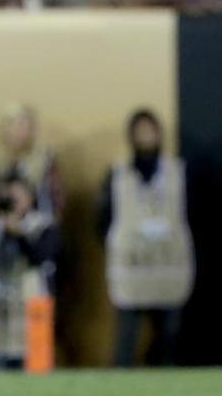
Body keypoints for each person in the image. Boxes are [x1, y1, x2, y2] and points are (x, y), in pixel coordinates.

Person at [97, 110, 193, 367]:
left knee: (169, 342)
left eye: (150, 130)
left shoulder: (178, 172)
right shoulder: (117, 174)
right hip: (132, 269)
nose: (146, 136)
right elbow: (103, 219)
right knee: (126, 342)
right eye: (140, 131)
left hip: (169, 268)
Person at [0, 178, 59, 370]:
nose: (12, 203)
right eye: (8, 198)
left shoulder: (42, 225)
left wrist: (19, 233)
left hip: (27, 329)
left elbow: (41, 257)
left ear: (31, 198)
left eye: (18, 197)